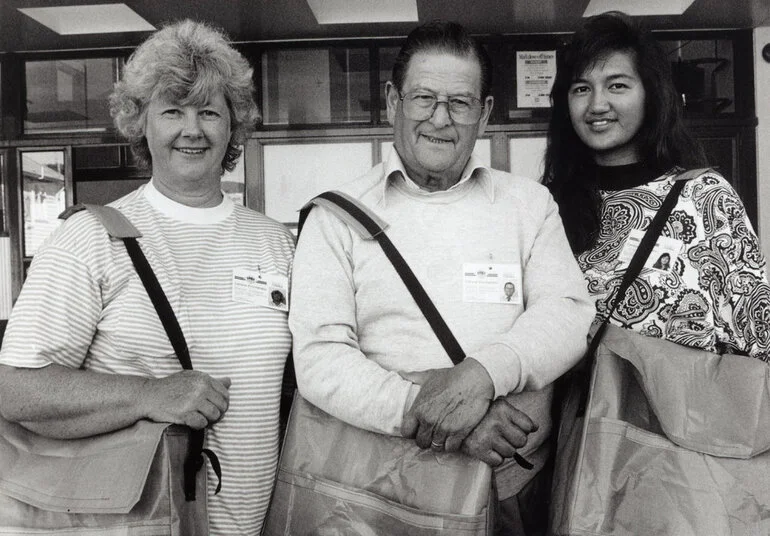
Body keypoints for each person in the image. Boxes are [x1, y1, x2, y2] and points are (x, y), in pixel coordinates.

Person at [290, 20, 594, 534]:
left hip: (511, 490)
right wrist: (450, 417)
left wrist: (481, 375)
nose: (440, 118)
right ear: (391, 102)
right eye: (423, 98)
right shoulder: (335, 217)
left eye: (460, 102)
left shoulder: (528, 205)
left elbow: (567, 315)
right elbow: (320, 359)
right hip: (380, 489)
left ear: (486, 112)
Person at [0, 20, 294, 535]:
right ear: (141, 124)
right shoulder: (90, 239)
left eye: (209, 110)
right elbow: (15, 391)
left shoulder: (277, 244)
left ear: (233, 126)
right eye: (172, 110)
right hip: (131, 523)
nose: (192, 129)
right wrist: (148, 395)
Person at [544, 11, 769, 381]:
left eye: (617, 85)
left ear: (652, 94)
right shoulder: (546, 205)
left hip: (689, 426)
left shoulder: (705, 197)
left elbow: (757, 329)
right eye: (581, 88)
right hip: (581, 428)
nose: (597, 104)